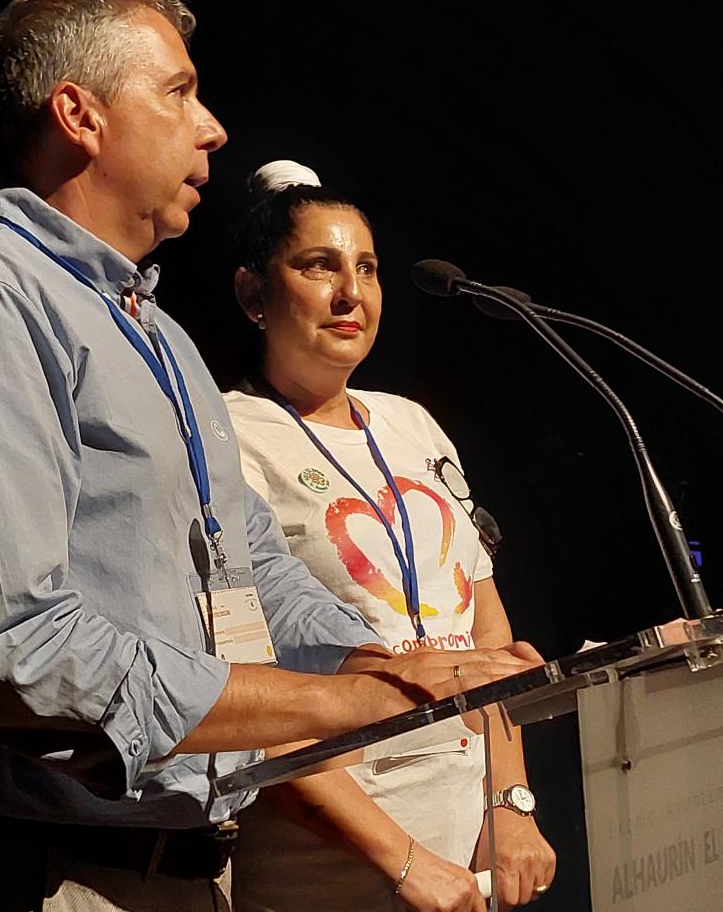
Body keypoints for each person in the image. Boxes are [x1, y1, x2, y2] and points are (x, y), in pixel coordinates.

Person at [0, 0, 539, 912]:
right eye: (178, 93)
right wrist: (341, 704)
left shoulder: (159, 336)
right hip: (40, 871)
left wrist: (386, 666)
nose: (212, 130)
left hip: (187, 867)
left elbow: (249, 572)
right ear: (80, 115)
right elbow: (19, 651)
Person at [223, 161, 558, 910]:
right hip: (325, 862)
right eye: (319, 266)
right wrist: (403, 861)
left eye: (366, 269)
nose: (351, 294)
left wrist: (512, 805)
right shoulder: (221, 436)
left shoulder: (412, 423)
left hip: (469, 849)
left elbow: (488, 631)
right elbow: (243, 694)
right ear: (254, 293)